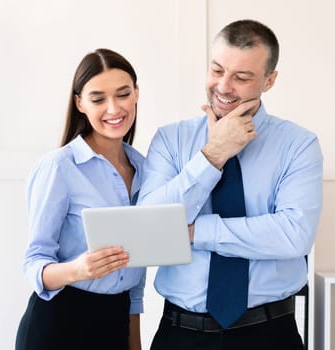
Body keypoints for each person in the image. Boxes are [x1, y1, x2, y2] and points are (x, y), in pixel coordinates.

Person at [138, 19, 323, 349]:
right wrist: (213, 155)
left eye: (241, 77)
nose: (223, 86)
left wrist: (195, 232)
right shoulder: (171, 139)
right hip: (180, 334)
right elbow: (148, 226)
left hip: (270, 334)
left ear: (269, 80)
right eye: (217, 70)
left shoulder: (299, 144)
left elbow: (293, 235)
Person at [15, 48, 145, 350]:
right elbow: (34, 264)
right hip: (59, 325)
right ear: (80, 104)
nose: (113, 109)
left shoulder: (146, 170)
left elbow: (136, 277)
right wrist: (79, 269)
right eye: (98, 99)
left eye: (123, 94)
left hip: (116, 323)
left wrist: (134, 343)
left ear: (136, 94)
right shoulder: (59, 167)